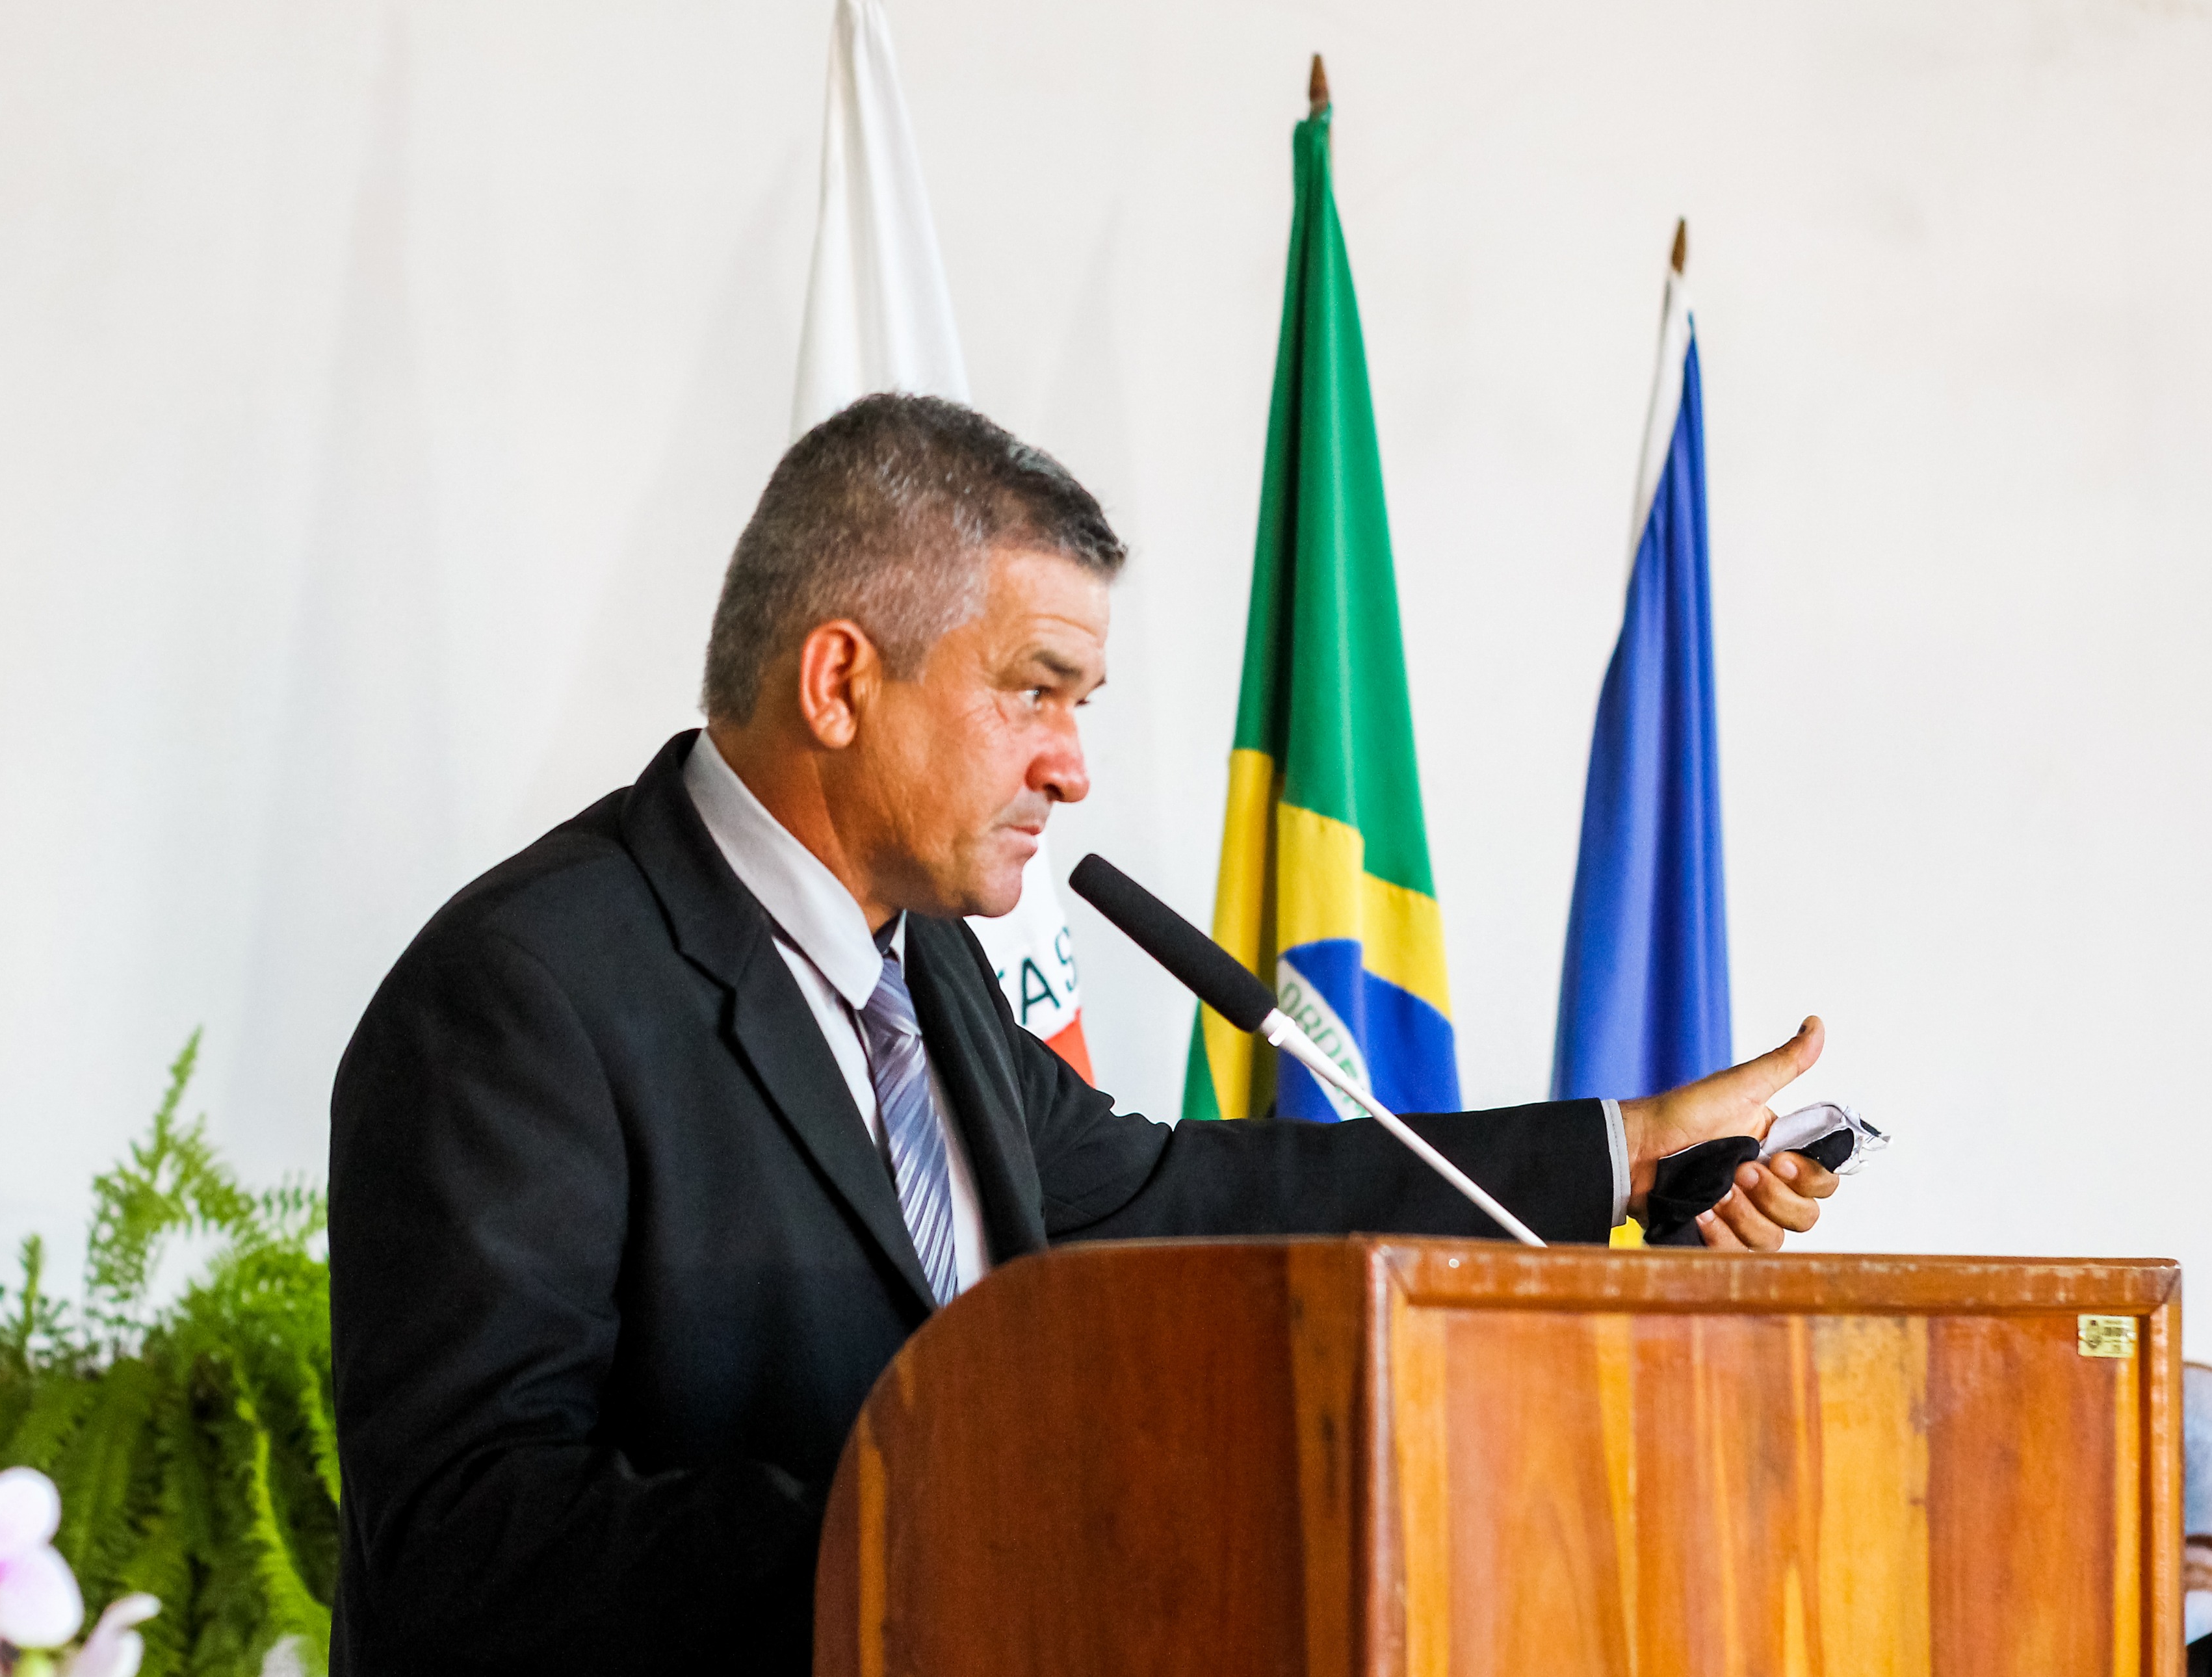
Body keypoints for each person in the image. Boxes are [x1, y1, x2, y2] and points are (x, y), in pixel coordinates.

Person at [326, 395, 1841, 1675]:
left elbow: (1169, 1200)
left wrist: (1620, 1154)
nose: (1071, 769)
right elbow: (467, 1539)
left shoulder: (927, 966)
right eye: (1033, 694)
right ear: (841, 681)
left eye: (1084, 706)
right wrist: (950, 1524)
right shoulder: (521, 995)